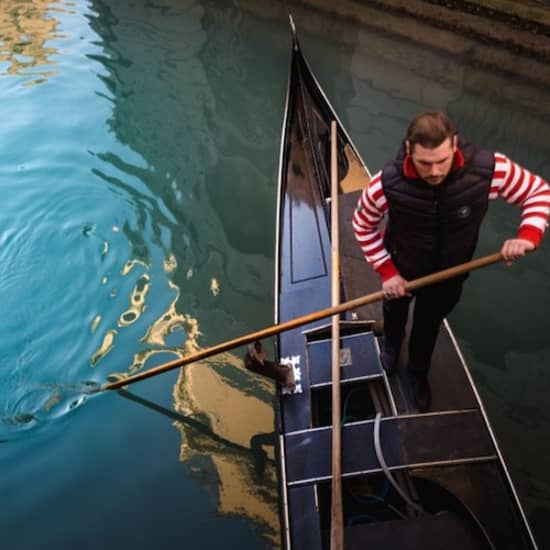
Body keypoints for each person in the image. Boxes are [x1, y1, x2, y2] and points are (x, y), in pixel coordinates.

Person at [352, 111, 550, 411]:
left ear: (454, 144)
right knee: (394, 312)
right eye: (424, 163)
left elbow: (538, 192)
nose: (434, 171)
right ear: (408, 150)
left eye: (442, 161)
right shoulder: (385, 184)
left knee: (428, 325)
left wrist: (527, 235)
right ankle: (391, 347)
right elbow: (362, 224)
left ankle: (417, 372)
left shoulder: (489, 170)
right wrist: (388, 272)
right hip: (401, 268)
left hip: (449, 275)